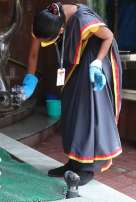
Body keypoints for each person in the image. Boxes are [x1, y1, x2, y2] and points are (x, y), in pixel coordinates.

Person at [20, 2, 122, 186]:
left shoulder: (82, 19)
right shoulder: (43, 21)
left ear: (61, 28)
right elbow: (34, 54)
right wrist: (29, 80)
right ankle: (73, 162)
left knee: (87, 111)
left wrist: (97, 63)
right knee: (70, 108)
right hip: (74, 62)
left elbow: (108, 37)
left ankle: (87, 168)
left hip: (94, 58)